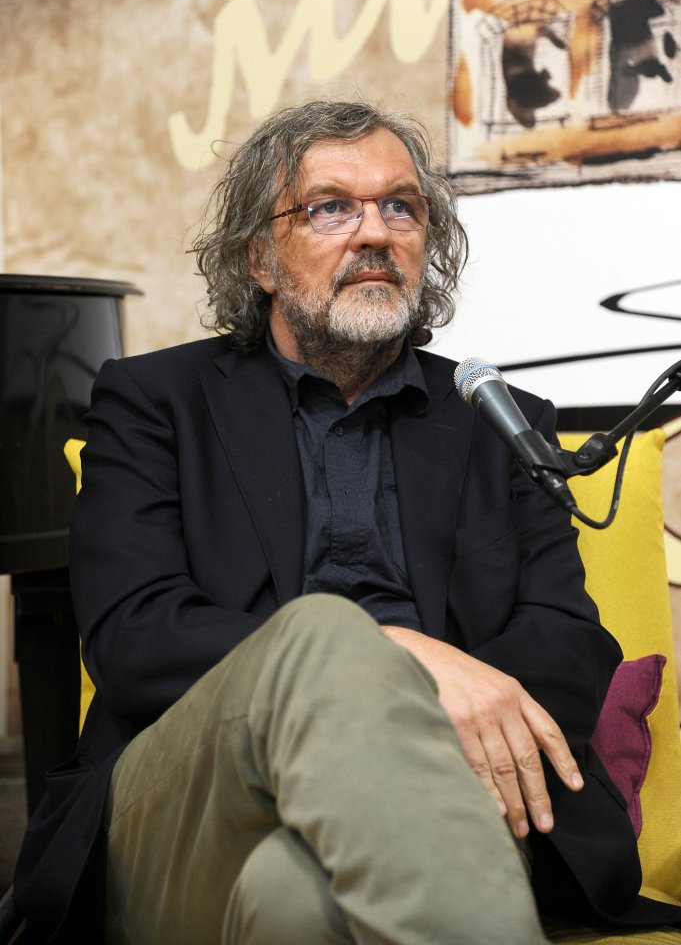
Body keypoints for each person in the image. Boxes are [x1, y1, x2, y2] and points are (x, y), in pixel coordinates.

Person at [12, 99, 663, 944]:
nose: (375, 232)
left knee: (295, 898)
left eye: (400, 206)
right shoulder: (154, 402)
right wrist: (397, 655)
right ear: (260, 257)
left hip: (449, 791)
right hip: (193, 799)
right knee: (320, 634)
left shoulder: (498, 420)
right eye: (331, 208)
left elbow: (567, 642)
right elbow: (137, 638)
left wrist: (404, 719)